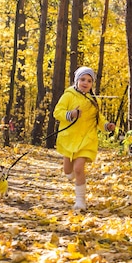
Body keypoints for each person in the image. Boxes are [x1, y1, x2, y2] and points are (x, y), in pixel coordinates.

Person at [53, 66, 116, 210]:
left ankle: (80, 201)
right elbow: (57, 112)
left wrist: (107, 126)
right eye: (82, 79)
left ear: (92, 83)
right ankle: (72, 174)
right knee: (68, 172)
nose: (85, 83)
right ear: (76, 81)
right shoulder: (68, 95)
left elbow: (99, 119)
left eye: (89, 80)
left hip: (87, 139)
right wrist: (71, 114)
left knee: (79, 168)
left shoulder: (93, 100)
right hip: (69, 139)